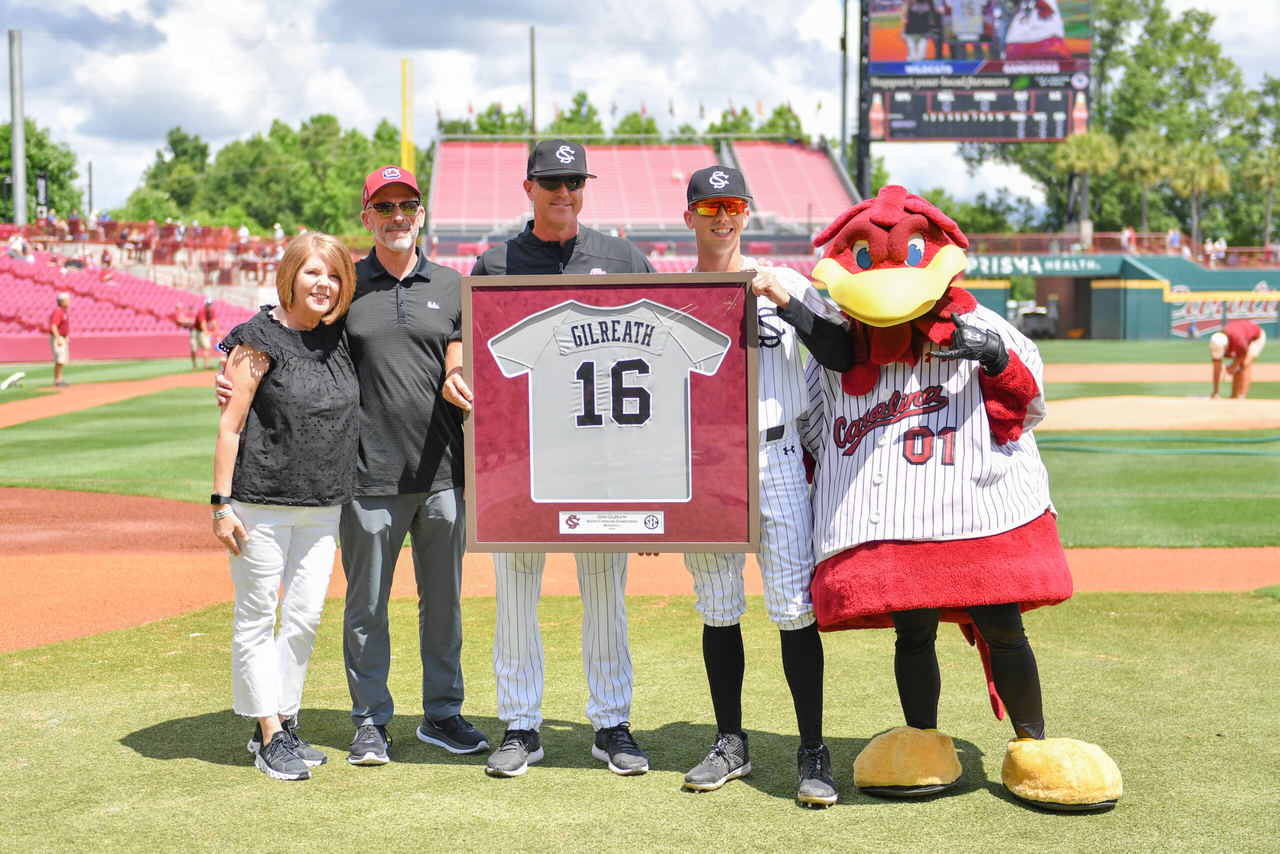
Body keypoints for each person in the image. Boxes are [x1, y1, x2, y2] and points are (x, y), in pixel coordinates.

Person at [219, 165, 486, 767]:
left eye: (408, 206)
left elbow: (460, 351)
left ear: (421, 214)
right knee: (367, 604)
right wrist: (233, 364)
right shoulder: (345, 286)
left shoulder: (452, 284)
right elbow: (288, 331)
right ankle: (370, 718)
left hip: (444, 469)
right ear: (367, 215)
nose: (397, 217)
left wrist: (454, 369)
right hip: (365, 474)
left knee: (443, 602)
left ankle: (442, 712)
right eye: (384, 207)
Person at [459, 139, 656, 778]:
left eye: (574, 183)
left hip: (602, 456)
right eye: (551, 183)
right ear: (528, 188)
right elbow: (465, 347)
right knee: (516, 587)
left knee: (604, 590)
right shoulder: (494, 264)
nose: (564, 193)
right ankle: (520, 725)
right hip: (519, 457)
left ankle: (611, 725)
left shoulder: (623, 257)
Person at [677, 166, 848, 806]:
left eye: (732, 206)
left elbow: (841, 352)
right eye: (709, 206)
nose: (722, 217)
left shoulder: (783, 281)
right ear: (688, 215)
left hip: (775, 460)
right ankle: (730, 741)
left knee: (794, 611)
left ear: (746, 213)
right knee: (719, 609)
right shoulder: (669, 294)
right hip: (708, 468)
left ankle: (812, 750)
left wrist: (789, 302)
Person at [213, 231, 359, 781]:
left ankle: (284, 720)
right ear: (290, 275)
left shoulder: (339, 337)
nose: (323, 284)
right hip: (260, 502)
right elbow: (229, 426)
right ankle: (268, 732)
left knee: (301, 619)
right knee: (256, 618)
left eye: (333, 276)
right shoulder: (254, 338)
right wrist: (220, 504)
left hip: (323, 506)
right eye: (312, 273)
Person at [1210, 319, 1266, 399]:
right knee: (1237, 366)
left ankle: (1242, 397)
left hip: (1256, 337)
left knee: (1245, 364)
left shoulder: (1238, 338)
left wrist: (1233, 366)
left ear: (1227, 345)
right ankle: (1233, 397)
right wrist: (1215, 392)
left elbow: (1244, 354)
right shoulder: (1216, 342)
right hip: (1242, 336)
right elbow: (1216, 368)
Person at [49, 293, 70, 387]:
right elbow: (54, 326)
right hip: (58, 336)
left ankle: (59, 378)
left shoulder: (63, 312)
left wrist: (66, 336)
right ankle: (57, 380)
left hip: (62, 336)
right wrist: (58, 338)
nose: (69, 301)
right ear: (62, 301)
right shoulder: (58, 311)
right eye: (67, 299)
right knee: (59, 358)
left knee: (62, 358)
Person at [194, 298, 220, 369]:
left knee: (207, 346)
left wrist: (217, 331)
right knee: (194, 348)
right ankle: (194, 365)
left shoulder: (212, 311)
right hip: (196, 330)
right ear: (205, 305)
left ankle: (206, 365)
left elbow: (214, 321)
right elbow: (203, 323)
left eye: (210, 304)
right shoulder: (202, 311)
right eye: (207, 305)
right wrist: (207, 332)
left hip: (204, 331)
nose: (209, 306)